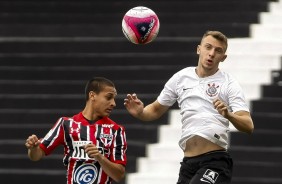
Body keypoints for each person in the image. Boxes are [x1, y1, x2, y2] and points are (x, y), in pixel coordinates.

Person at [124, 30, 254, 184]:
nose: (211, 53)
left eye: (218, 51)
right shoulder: (181, 78)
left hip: (215, 162)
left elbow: (248, 126)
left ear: (223, 57)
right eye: (208, 47)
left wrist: (228, 115)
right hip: (188, 164)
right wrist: (140, 113)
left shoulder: (229, 83)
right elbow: (155, 110)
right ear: (199, 49)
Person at [25, 77, 127, 184]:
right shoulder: (65, 124)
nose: (113, 103)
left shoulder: (116, 130)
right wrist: (33, 148)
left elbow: (119, 175)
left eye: (114, 98)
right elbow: (36, 156)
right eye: (109, 97)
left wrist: (100, 158)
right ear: (92, 95)